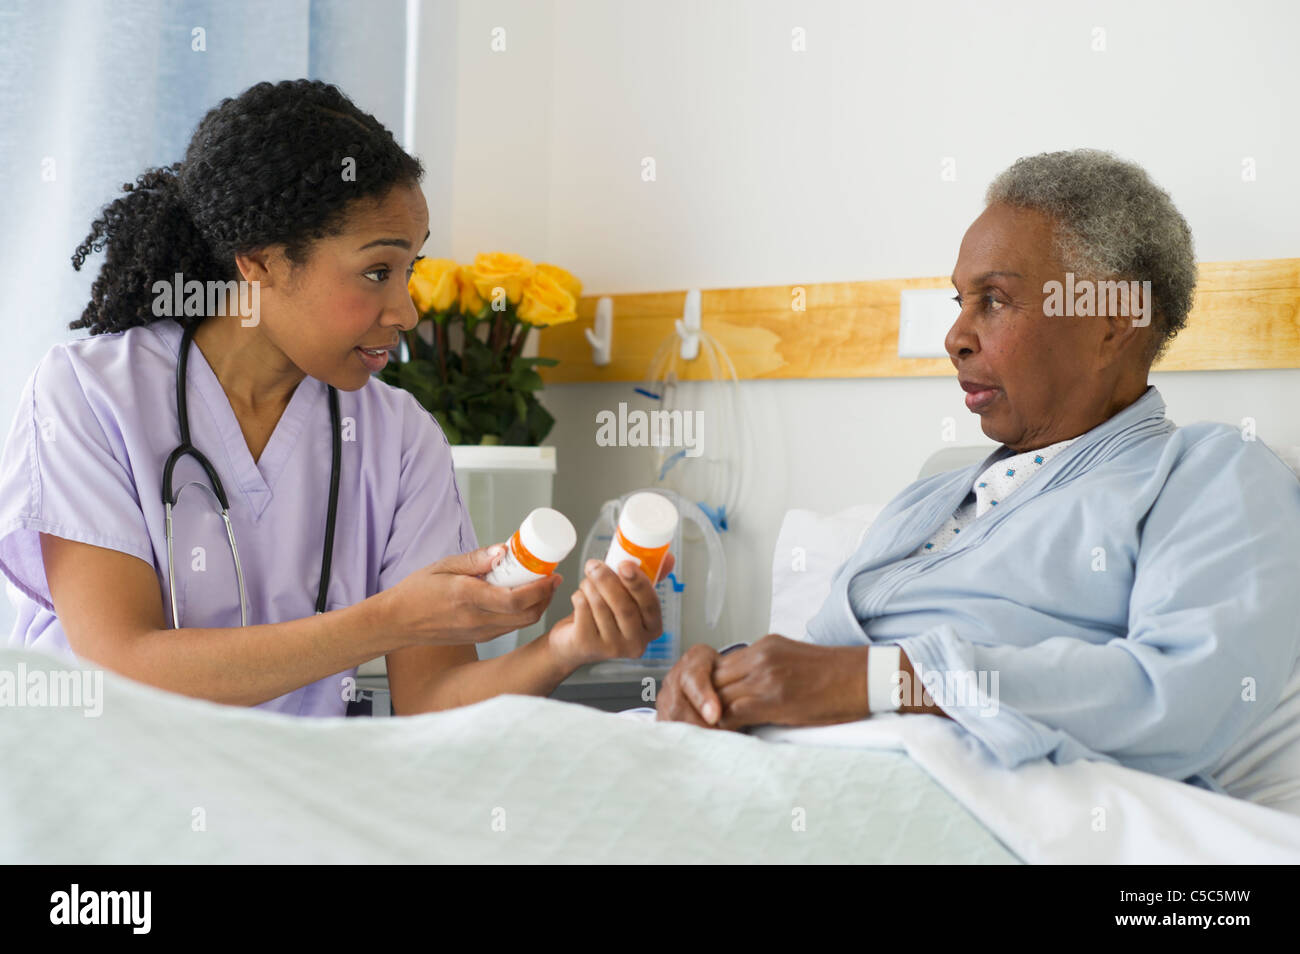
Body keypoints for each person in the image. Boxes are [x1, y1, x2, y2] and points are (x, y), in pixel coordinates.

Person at [657, 149, 1300, 812]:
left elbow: (1183, 694)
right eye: (959, 302)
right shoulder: (928, 501)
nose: (955, 336)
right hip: (777, 769)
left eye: (993, 301)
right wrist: (721, 678)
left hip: (948, 798)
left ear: (1111, 322)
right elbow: (815, 664)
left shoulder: (1211, 474)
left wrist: (892, 680)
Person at [0, 79, 669, 716]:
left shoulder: (399, 439)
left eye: (411, 272)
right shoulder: (89, 396)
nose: (405, 311)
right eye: (377, 271)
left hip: (286, 807)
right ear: (259, 260)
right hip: (94, 801)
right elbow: (121, 664)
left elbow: (433, 701)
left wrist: (567, 647)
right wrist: (381, 621)